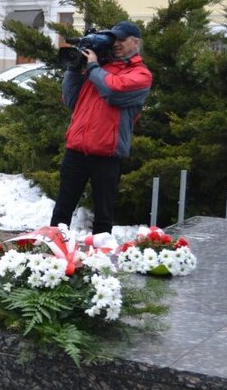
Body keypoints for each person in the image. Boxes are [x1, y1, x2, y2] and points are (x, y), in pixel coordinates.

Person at [49, 21, 152, 235]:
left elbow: (113, 91)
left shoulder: (141, 75)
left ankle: (100, 261)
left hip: (107, 153)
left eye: (122, 39)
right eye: (114, 39)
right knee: (61, 210)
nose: (116, 44)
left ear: (136, 42)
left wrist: (94, 67)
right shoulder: (98, 70)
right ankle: (52, 253)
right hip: (76, 149)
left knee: (103, 215)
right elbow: (70, 101)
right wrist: (74, 68)